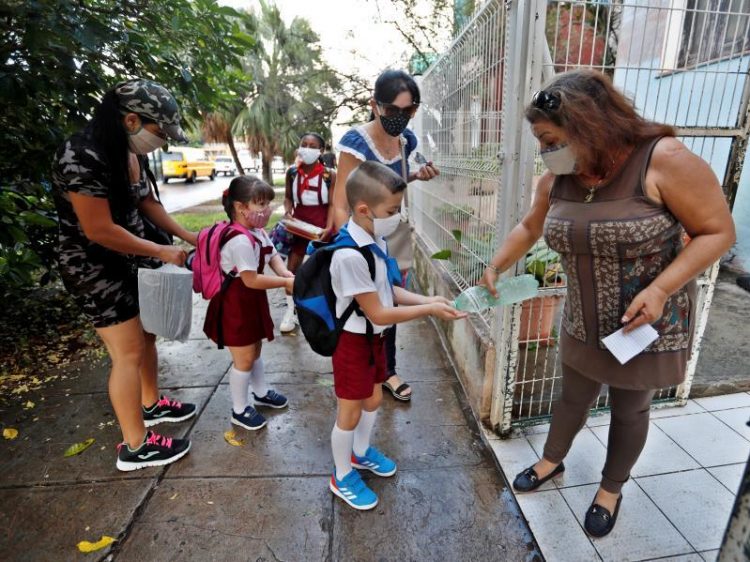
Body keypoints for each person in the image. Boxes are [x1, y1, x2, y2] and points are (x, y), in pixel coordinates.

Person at [479, 69, 735, 537]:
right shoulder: (558, 178)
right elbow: (530, 227)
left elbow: (718, 232)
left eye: (549, 138)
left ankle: (610, 488)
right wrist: (497, 264)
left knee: (630, 408)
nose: (544, 150)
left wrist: (660, 289)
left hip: (645, 320)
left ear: (588, 125)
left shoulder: (664, 160)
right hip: (582, 316)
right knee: (573, 396)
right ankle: (552, 461)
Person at [52, 78, 199, 471]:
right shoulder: (81, 154)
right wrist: (161, 250)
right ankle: (135, 446)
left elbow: (146, 201)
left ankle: (151, 405)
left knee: (147, 333)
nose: (162, 142)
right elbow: (98, 229)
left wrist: (187, 235)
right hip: (93, 266)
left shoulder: (129, 151)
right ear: (131, 119)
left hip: (133, 259)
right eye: (160, 132)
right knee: (127, 351)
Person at [328, 161, 466, 510]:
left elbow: (387, 291)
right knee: (349, 411)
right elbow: (377, 311)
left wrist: (427, 298)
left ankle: (359, 453)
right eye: (392, 210)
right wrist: (429, 310)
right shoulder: (348, 255)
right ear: (363, 209)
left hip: (374, 340)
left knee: (373, 400)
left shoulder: (376, 239)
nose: (397, 216)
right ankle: (341, 474)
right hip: (353, 342)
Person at [332, 69, 440, 402]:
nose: (400, 118)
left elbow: (396, 185)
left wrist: (417, 176)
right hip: (363, 235)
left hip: (394, 232)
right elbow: (341, 201)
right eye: (392, 110)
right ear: (375, 105)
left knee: (390, 299)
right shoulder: (356, 143)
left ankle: (387, 369)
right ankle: (362, 364)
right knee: (366, 304)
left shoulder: (407, 141)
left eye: (408, 112)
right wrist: (344, 245)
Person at [203, 176, 294, 431]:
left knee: (255, 349)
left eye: (267, 204)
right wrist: (285, 285)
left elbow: (273, 255)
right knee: (243, 359)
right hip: (236, 303)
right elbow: (251, 280)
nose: (266, 210)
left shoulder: (257, 231)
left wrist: (285, 274)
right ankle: (239, 409)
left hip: (251, 301)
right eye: (260, 204)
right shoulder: (239, 240)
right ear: (241, 208)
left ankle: (261, 391)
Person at [279, 132, 336, 333]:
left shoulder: (329, 175)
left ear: (321, 151)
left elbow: (332, 205)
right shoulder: (292, 172)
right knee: (291, 268)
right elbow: (288, 197)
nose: (307, 148)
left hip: (322, 226)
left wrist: (329, 228)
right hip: (299, 225)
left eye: (313, 146)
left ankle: (329, 309)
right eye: (304, 144)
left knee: (327, 268)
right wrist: (287, 211)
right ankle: (290, 310)